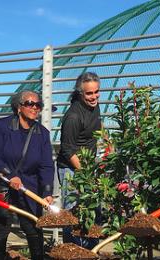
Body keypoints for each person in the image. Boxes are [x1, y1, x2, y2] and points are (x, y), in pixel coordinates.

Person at [0, 90, 54, 260]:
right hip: (2, 186)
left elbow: (46, 165)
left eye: (38, 105)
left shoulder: (42, 134)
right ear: (19, 107)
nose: (34, 107)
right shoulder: (1, 127)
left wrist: (47, 192)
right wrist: (10, 175)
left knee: (34, 229)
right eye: (29, 103)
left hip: (29, 188)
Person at [56, 72, 101, 248]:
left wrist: (107, 140)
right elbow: (68, 150)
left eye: (97, 92)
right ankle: (72, 250)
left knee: (94, 209)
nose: (94, 96)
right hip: (71, 168)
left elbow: (97, 122)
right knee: (73, 211)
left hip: (88, 167)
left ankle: (91, 249)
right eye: (89, 93)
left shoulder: (94, 106)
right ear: (80, 93)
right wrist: (86, 174)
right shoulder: (73, 117)